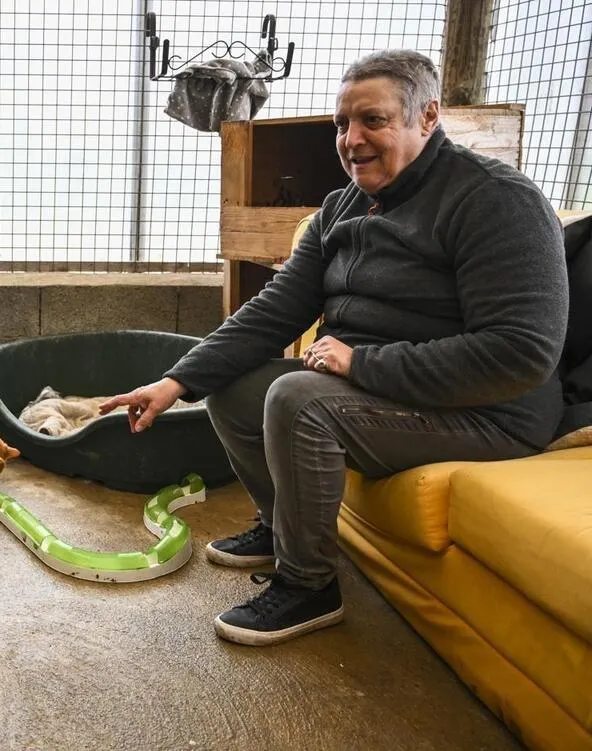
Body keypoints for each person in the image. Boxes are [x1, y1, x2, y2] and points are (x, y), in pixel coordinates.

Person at [99, 49, 568, 647]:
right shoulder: (343, 204)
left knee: (299, 399)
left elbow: (520, 354)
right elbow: (274, 309)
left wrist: (363, 363)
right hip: (383, 392)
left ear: (427, 118)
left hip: (488, 412)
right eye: (342, 124)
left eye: (373, 120)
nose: (351, 140)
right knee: (234, 388)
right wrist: (177, 382)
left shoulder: (495, 200)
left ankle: (309, 586)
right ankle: (279, 528)